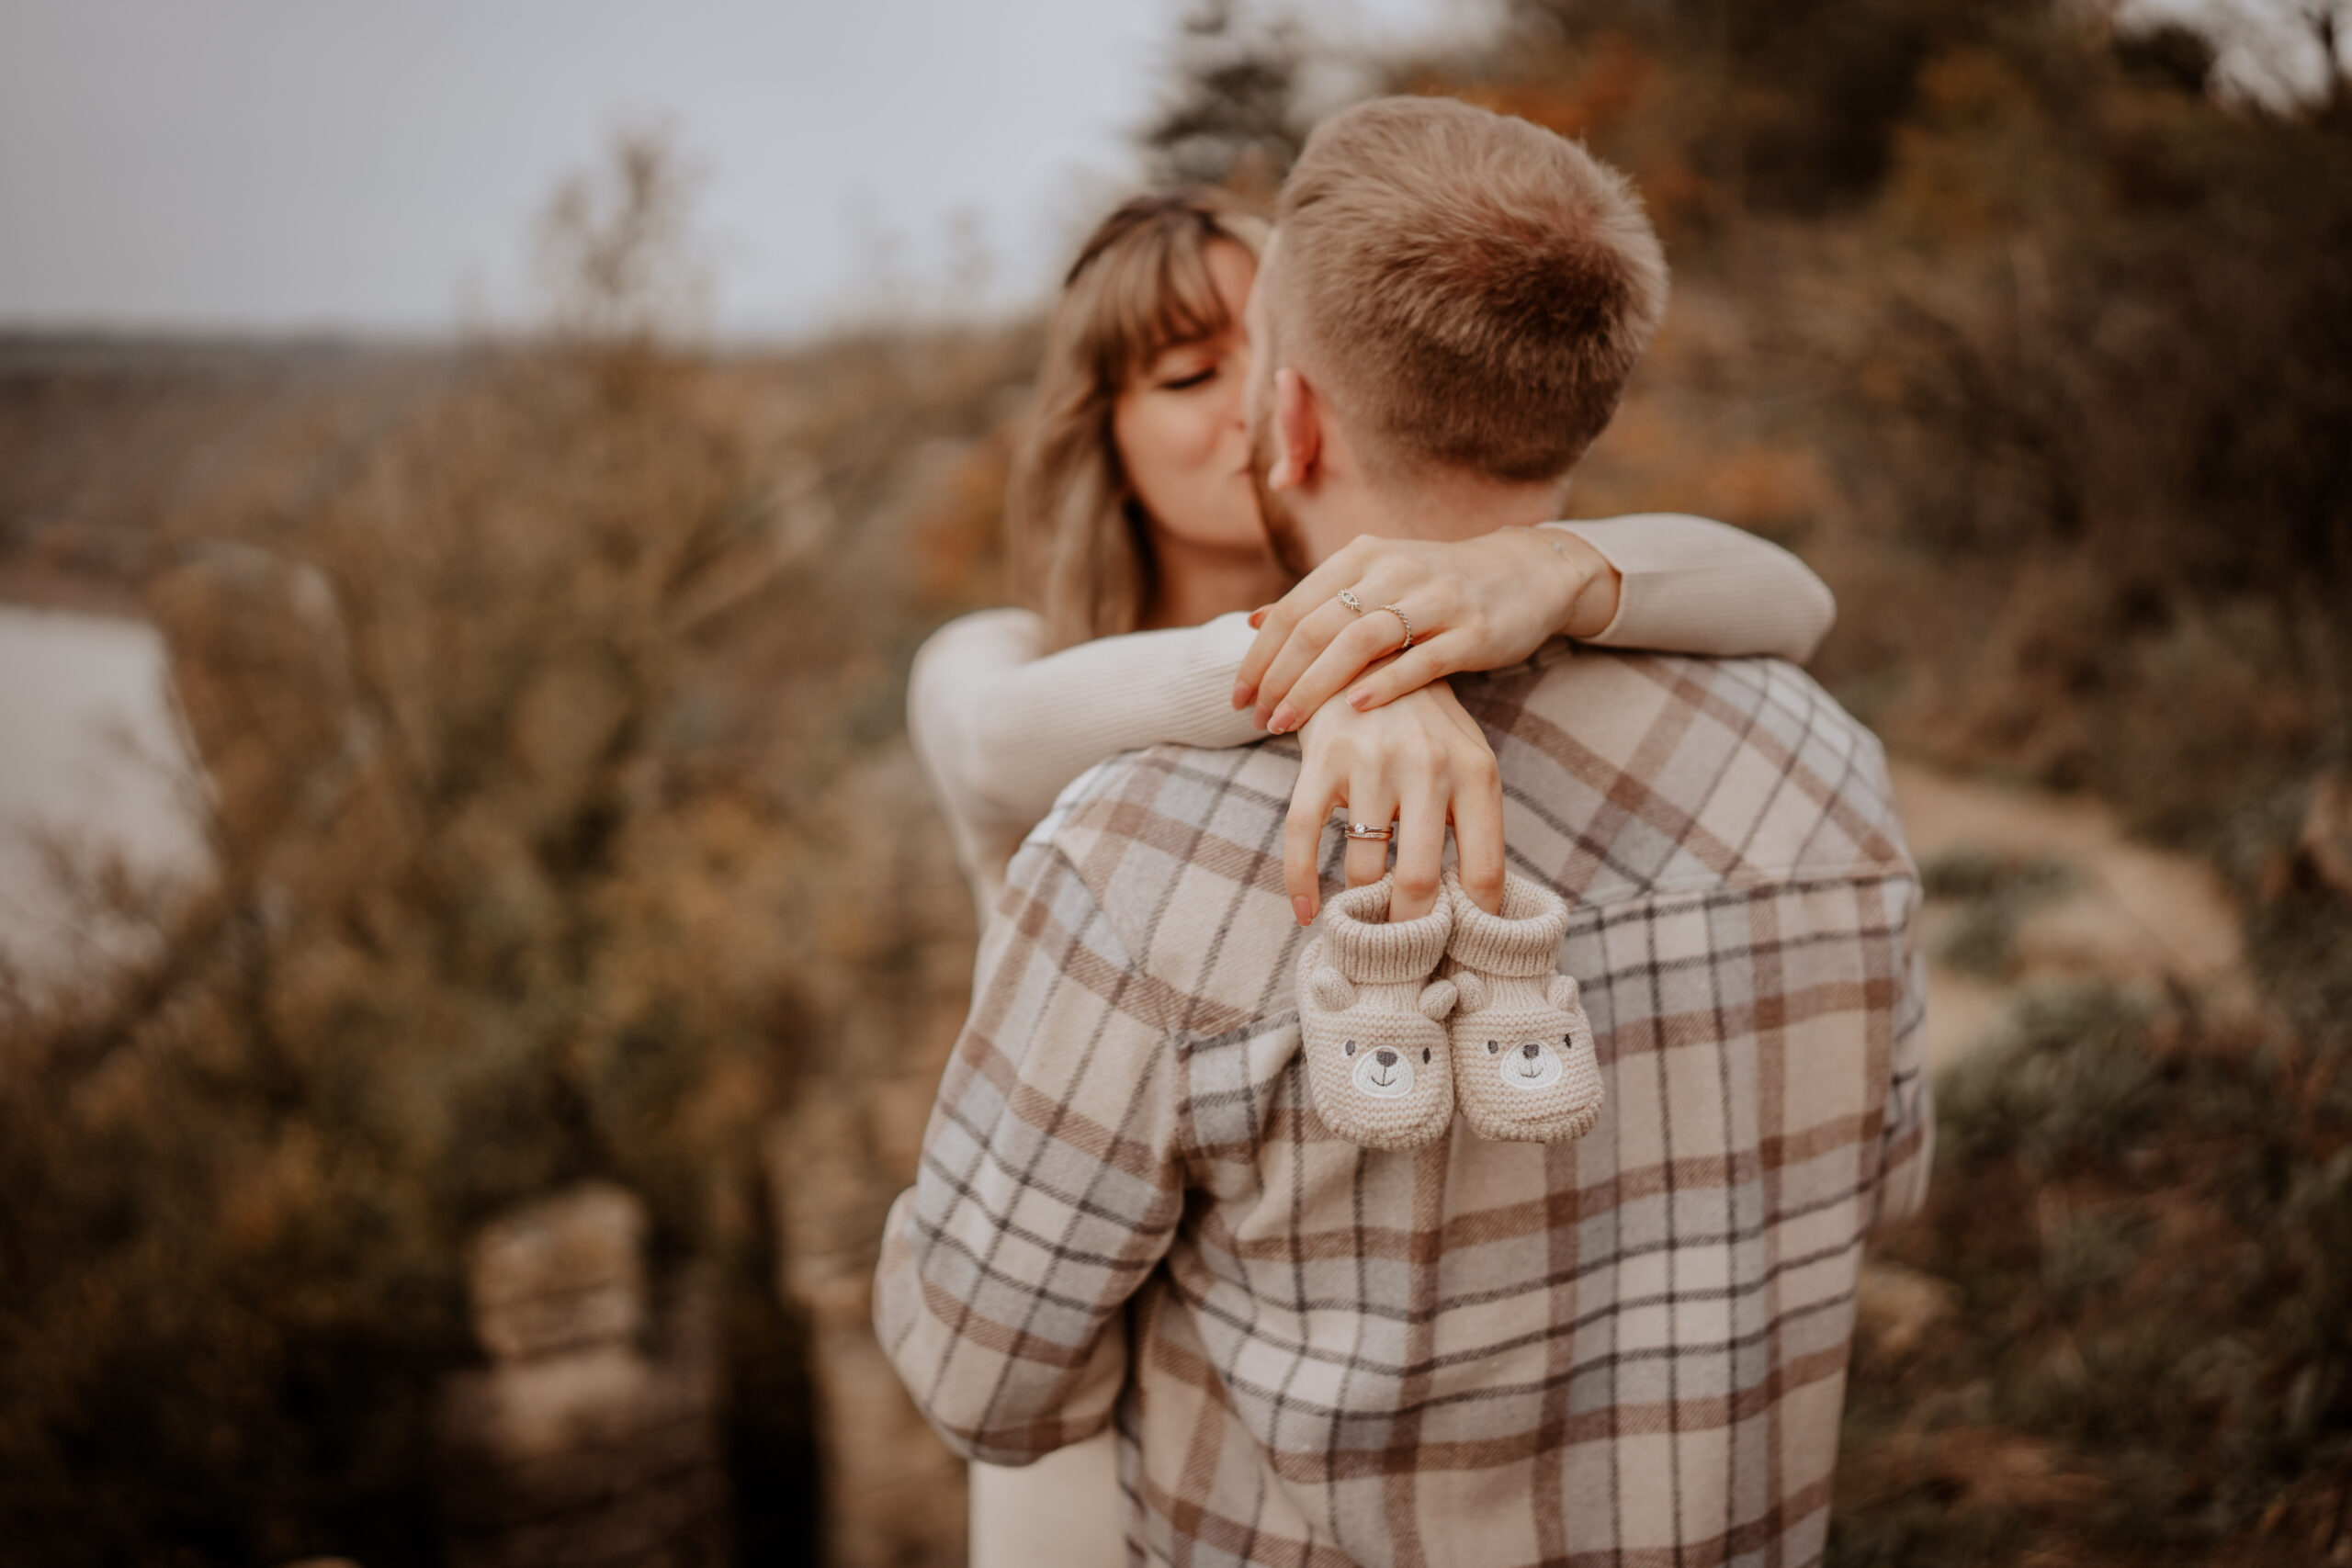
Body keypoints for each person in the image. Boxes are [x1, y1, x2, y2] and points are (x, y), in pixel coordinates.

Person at [903, 189, 1844, 1565]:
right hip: (1079, 1429)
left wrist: (1547, 569)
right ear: (1097, 429)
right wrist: (1325, 670)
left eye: (1261, 348)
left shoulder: (1448, 626)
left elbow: (1793, 602)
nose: (1241, 404)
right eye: (1183, 373)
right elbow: (991, 742)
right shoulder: (991, 656)